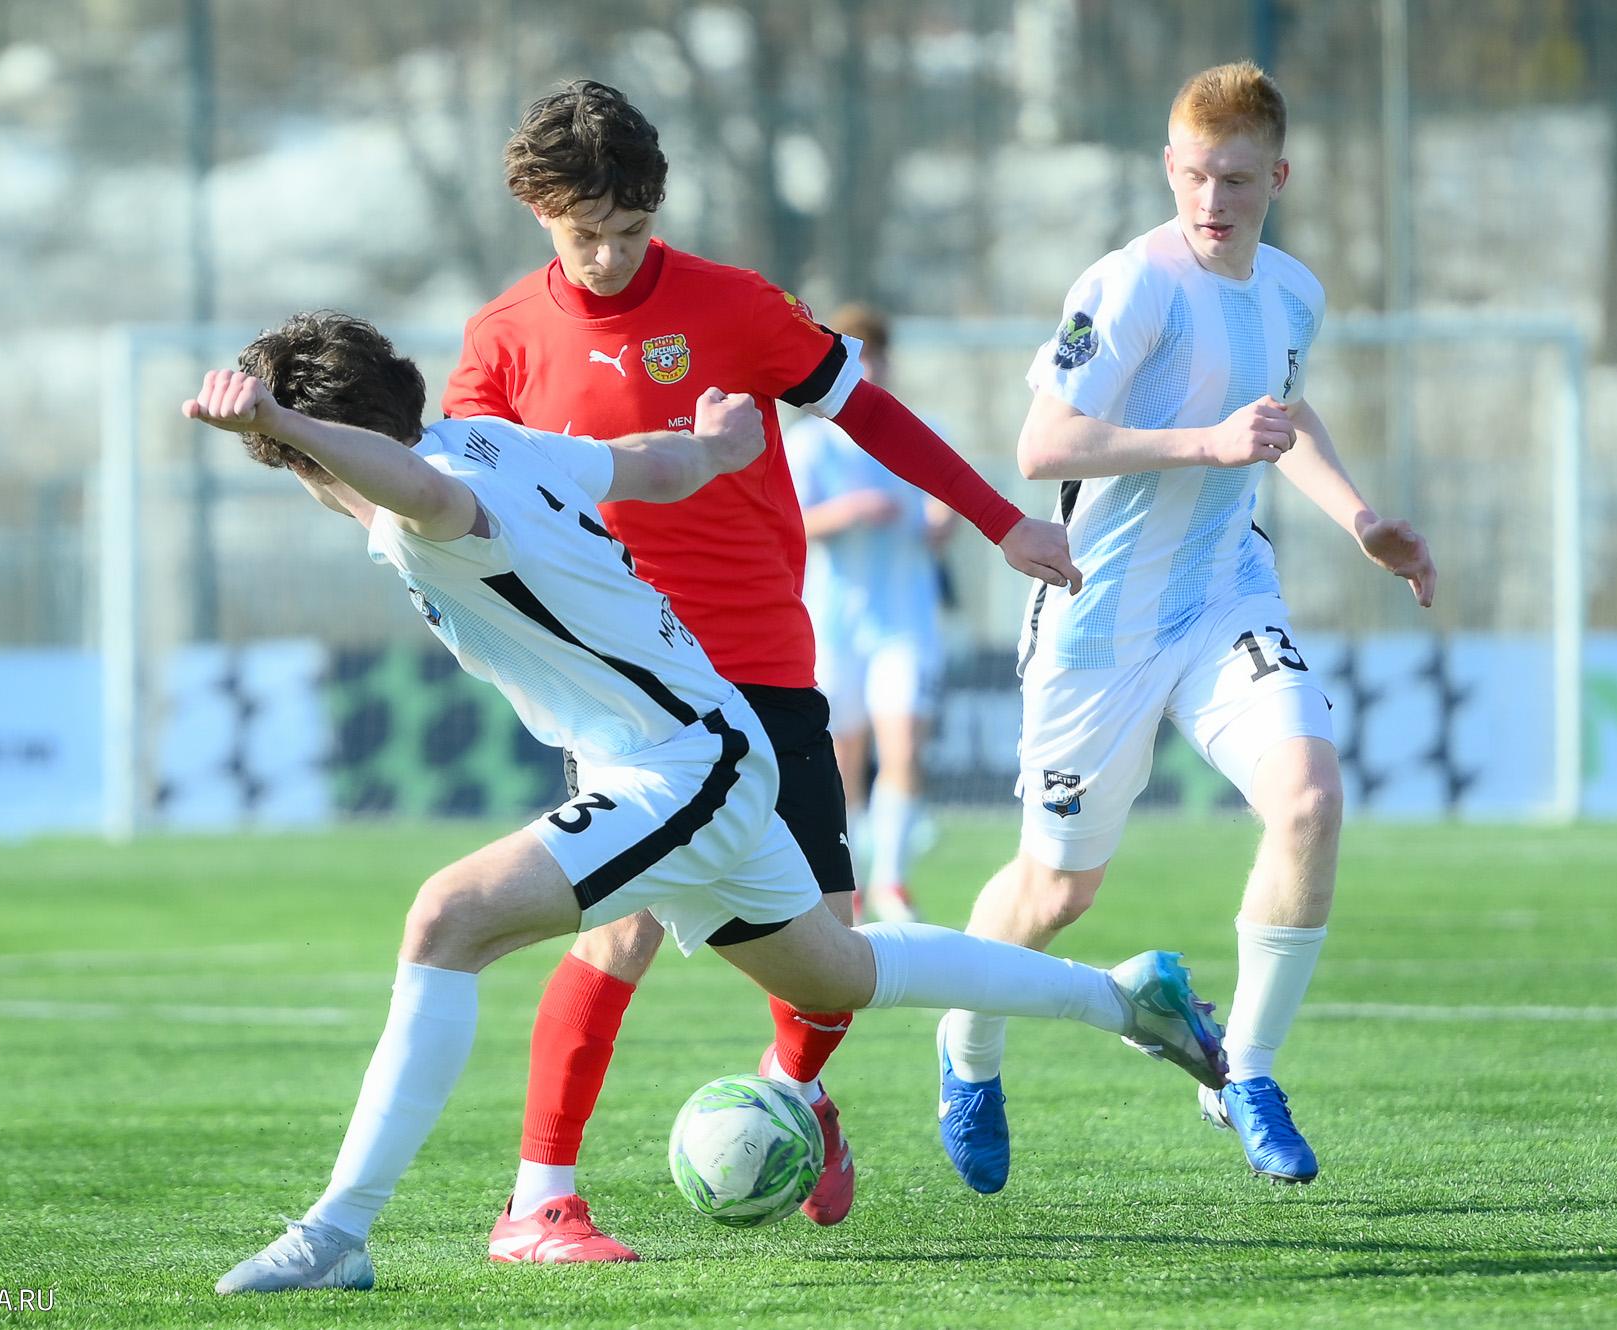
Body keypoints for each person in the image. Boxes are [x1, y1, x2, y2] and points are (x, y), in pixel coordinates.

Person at [190, 312, 1227, 1294]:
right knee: (840, 972)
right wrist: (718, 449)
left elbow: (411, 484)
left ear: (311, 461)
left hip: (682, 764)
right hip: (694, 750)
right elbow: (646, 466)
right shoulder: (490, 442)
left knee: (446, 917)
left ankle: (338, 1232)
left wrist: (280, 422)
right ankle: (1126, 1001)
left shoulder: (440, 496)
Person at [443, 80, 1081, 1260]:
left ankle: (793, 1092)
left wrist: (1000, 523)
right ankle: (540, 1200)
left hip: (762, 658)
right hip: (629, 685)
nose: (606, 254)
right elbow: (460, 493)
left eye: (629, 230)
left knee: (831, 958)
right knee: (617, 927)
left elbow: (870, 416)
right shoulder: (499, 342)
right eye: (583, 233)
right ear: (536, 211)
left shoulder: (733, 306)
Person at [936, 61, 1438, 1193]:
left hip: (1224, 594)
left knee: (1309, 800)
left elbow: (1281, 412)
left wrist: (1360, 518)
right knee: (1055, 892)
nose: (1214, 200)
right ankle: (967, 1055)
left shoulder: (1293, 292)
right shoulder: (1128, 286)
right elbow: (1043, 447)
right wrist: (1204, 444)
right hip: (1098, 619)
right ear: (1169, 168)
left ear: (1279, 178)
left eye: (1238, 180)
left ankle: (1243, 1071)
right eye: (1197, 176)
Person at [787, 304, 955, 924]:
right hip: (834, 623)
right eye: (858, 356)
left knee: (904, 746)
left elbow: (949, 500)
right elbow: (789, 524)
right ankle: (851, 880)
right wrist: (848, 512)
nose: (870, 367)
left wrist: (942, 521)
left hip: (906, 619)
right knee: (844, 755)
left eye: (877, 355)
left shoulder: (920, 429)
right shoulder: (809, 444)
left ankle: (893, 882)